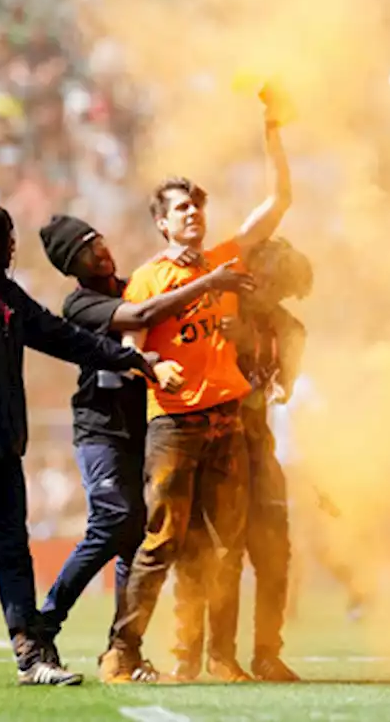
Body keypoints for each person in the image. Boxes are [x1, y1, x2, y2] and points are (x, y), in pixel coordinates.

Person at [0, 204, 160, 688]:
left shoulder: (7, 298)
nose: (13, 247)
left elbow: (66, 339)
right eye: (6, 238)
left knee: (15, 556)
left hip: (1, 454)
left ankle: (32, 658)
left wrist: (128, 359)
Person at [100, 86, 294, 684]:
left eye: (197, 208)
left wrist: (273, 128)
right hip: (175, 426)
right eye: (181, 209)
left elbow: (278, 201)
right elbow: (132, 345)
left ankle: (221, 657)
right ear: (161, 223)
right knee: (160, 543)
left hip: (226, 422)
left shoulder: (224, 261)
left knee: (227, 548)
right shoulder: (149, 279)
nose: (193, 215)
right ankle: (122, 653)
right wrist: (156, 367)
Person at [36, 214, 254, 676]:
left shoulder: (140, 280)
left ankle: (126, 652)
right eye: (84, 251)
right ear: (70, 266)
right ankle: (43, 626)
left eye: (97, 241)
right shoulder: (81, 304)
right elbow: (141, 317)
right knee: (116, 522)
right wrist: (205, 283)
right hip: (102, 429)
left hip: (150, 425)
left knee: (140, 538)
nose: (99, 252)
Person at [171, 238, 313, 683]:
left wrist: (256, 353)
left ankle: (267, 653)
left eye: (281, 286)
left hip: (255, 446)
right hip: (207, 445)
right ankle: (191, 653)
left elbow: (277, 391)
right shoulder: (215, 310)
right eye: (267, 279)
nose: (270, 291)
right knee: (206, 553)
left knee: (275, 554)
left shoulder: (289, 330)